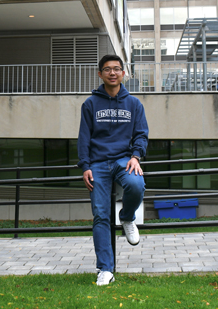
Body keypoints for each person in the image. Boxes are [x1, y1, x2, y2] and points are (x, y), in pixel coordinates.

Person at [77, 54, 148, 286]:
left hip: (124, 160)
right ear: (100, 74)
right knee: (100, 215)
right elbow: (84, 138)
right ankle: (105, 269)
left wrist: (136, 156)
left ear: (123, 73)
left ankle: (127, 217)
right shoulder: (90, 104)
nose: (112, 73)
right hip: (97, 163)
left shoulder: (134, 104)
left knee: (136, 185)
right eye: (107, 69)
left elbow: (141, 134)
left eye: (117, 69)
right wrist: (85, 166)